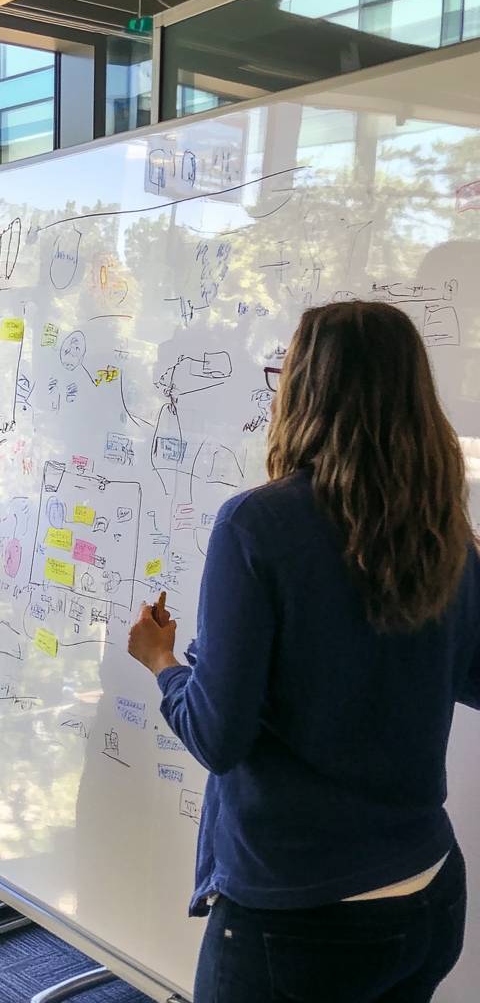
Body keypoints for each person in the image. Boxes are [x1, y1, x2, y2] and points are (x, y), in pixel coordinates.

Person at [128, 299, 480, 1002]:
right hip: (428, 890)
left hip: (300, 915)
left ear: (303, 389)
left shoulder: (257, 524)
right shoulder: (441, 529)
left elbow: (218, 737)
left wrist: (162, 663)